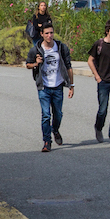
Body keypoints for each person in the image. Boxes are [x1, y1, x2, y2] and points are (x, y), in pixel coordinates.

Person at [23, 21, 75, 152]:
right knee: (46, 114)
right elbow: (28, 64)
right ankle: (47, 141)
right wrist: (36, 63)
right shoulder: (36, 50)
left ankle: (55, 130)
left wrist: (71, 85)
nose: (49, 35)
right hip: (44, 87)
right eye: (46, 33)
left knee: (58, 114)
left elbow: (68, 67)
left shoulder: (61, 48)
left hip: (58, 86)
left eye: (51, 33)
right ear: (41, 34)